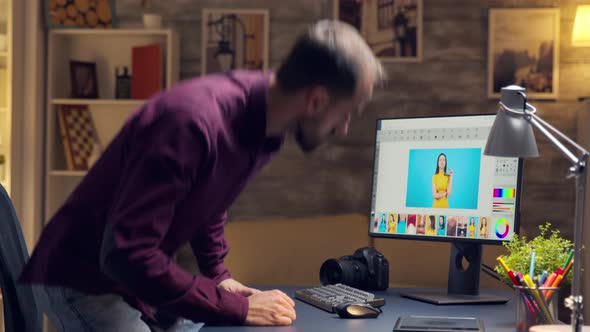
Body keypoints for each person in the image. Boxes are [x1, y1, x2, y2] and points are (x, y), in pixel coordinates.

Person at [19, 20, 384, 331]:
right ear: (317, 100)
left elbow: (209, 198)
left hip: (131, 279)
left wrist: (218, 276)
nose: (345, 128)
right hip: (83, 278)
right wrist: (236, 307)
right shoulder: (192, 122)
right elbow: (127, 254)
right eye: (347, 112)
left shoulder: (265, 126)